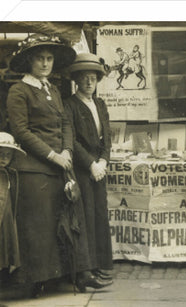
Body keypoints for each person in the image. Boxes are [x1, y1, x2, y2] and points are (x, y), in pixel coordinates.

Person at [6, 34, 110, 296]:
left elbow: (65, 122)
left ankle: (81, 275)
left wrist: (66, 150)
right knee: (40, 227)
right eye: (40, 58)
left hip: (62, 164)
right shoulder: (19, 90)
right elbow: (22, 131)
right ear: (30, 61)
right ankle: (38, 279)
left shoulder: (52, 89)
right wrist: (53, 155)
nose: (45, 63)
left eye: (49, 58)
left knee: (73, 221)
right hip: (35, 168)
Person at [64, 53, 114, 286]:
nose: (89, 82)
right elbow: (71, 140)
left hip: (99, 168)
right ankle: (87, 269)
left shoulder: (100, 104)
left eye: (92, 78)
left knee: (99, 214)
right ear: (76, 80)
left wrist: (103, 160)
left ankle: (100, 265)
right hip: (82, 169)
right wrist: (91, 164)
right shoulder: (70, 105)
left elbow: (107, 136)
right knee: (85, 217)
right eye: (84, 78)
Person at [0, 132, 25, 285]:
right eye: (0, 154)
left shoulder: (10, 174)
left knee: (4, 255)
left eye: (8, 155)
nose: (4, 158)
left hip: (6, 221)